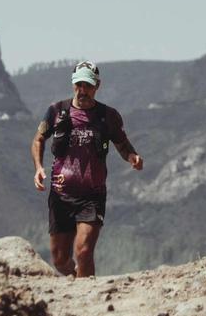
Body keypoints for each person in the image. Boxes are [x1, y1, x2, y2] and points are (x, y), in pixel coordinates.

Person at [30, 60, 142, 277]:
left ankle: (89, 297)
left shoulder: (108, 116)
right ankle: (75, 283)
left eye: (88, 86)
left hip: (92, 196)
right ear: (73, 84)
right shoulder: (56, 111)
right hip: (61, 196)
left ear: (97, 86)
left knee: (83, 251)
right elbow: (38, 140)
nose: (83, 90)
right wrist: (38, 167)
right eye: (79, 85)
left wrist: (132, 157)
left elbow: (122, 143)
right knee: (60, 260)